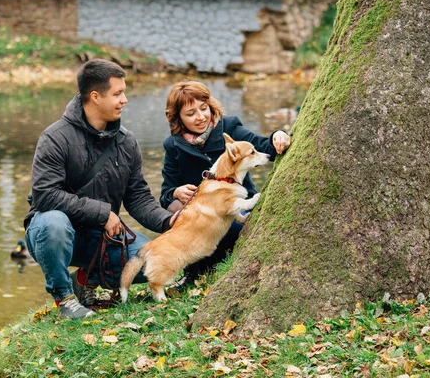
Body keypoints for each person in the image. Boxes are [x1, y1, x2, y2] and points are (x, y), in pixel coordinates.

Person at [24, 59, 174, 319]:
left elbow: (137, 197)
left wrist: (171, 221)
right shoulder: (55, 138)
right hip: (50, 231)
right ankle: (64, 299)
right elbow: (46, 195)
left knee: (154, 262)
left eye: (124, 92)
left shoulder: (126, 142)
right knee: (54, 223)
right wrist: (102, 214)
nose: (124, 100)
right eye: (117, 93)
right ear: (95, 97)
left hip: (101, 240)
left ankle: (84, 279)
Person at [160, 81, 291, 288]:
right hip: (205, 216)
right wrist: (176, 192)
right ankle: (194, 271)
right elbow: (165, 194)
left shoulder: (229, 127)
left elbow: (264, 148)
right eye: (191, 113)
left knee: (231, 224)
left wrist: (278, 135)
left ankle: (222, 264)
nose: (201, 117)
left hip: (238, 207)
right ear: (178, 118)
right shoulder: (173, 145)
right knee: (175, 214)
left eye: (204, 108)